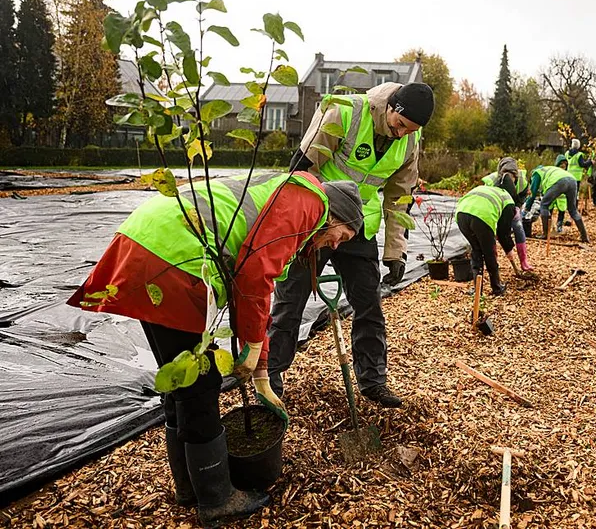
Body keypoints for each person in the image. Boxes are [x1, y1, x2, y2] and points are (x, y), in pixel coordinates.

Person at [68, 173, 363, 528]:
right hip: (174, 255)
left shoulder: (289, 193)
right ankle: (217, 499)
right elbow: (255, 276)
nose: (335, 245)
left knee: (180, 377)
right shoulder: (309, 203)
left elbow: (254, 289)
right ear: (335, 214)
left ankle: (189, 488)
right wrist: (254, 345)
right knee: (201, 384)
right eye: (343, 235)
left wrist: (261, 372)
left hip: (147, 243)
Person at [267, 81, 435, 409]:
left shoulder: (409, 141)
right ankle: (270, 375)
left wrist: (396, 252)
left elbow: (400, 197)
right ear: (391, 107)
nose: (402, 134)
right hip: (318, 222)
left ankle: (373, 381)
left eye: (410, 130)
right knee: (291, 300)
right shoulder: (345, 113)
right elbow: (301, 169)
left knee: (369, 304)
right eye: (400, 124)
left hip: (359, 228)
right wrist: (299, 226)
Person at [456, 183, 518, 295]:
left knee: (476, 250)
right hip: (482, 217)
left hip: (461, 214)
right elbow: (503, 232)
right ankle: (497, 288)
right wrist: (509, 249)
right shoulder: (509, 202)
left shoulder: (490, 190)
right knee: (489, 253)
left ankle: (477, 289)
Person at [482, 157, 532, 271]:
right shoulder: (492, 181)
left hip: (512, 206)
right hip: (495, 209)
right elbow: (486, 200)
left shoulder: (522, 182)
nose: (510, 179)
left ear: (516, 175)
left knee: (518, 227)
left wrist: (517, 208)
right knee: (492, 232)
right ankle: (493, 262)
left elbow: (522, 197)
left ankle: (523, 260)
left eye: (512, 176)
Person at [524, 165, 590, 243]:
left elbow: (533, 193)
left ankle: (545, 234)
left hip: (560, 182)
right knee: (573, 210)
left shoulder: (536, 173)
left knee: (544, 205)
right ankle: (584, 236)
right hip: (572, 180)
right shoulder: (549, 170)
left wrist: (526, 208)